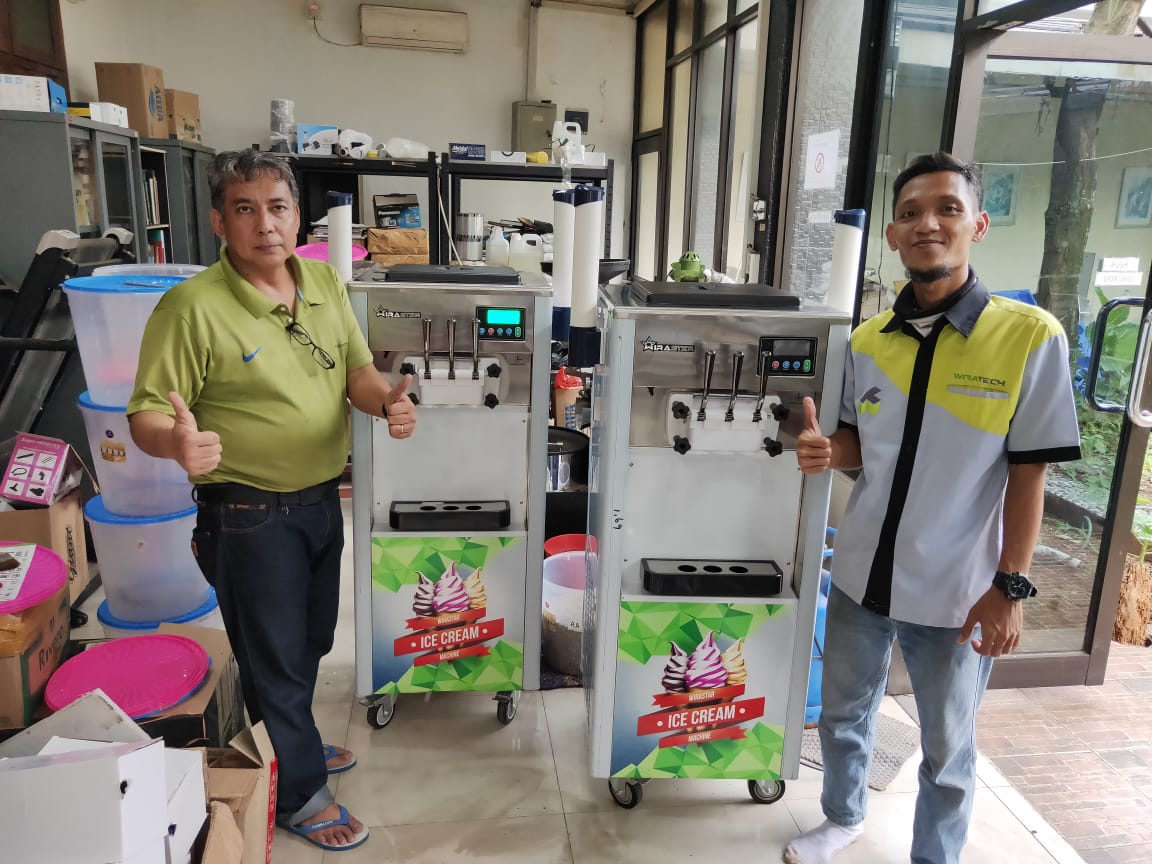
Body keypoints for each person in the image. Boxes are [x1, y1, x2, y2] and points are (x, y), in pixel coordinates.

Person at [785, 152, 1081, 864]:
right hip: (860, 575)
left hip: (958, 591)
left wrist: (1010, 588)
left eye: (948, 208)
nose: (928, 224)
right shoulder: (866, 341)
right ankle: (841, 817)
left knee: (948, 748)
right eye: (911, 213)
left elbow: (1030, 475)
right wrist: (829, 451)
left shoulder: (1029, 337)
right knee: (843, 714)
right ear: (892, 235)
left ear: (977, 224)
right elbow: (861, 444)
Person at [128, 149, 415, 852]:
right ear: (220, 222)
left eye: (278, 207)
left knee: (310, 640)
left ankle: (291, 744)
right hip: (248, 513)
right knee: (274, 656)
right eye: (246, 209)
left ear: (297, 215)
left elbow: (357, 372)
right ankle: (299, 794)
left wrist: (387, 401)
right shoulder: (192, 307)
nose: (265, 224)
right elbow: (146, 414)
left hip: (320, 501)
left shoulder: (323, 281)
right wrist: (176, 444)